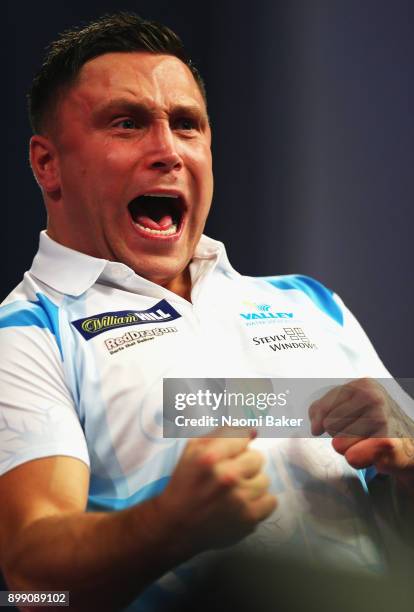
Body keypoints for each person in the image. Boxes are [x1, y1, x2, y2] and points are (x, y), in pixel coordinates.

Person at [0, 12, 413, 612]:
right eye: (127, 123)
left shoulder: (309, 302)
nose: (167, 150)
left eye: (187, 125)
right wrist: (169, 524)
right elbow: (35, 589)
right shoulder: (28, 332)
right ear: (47, 164)